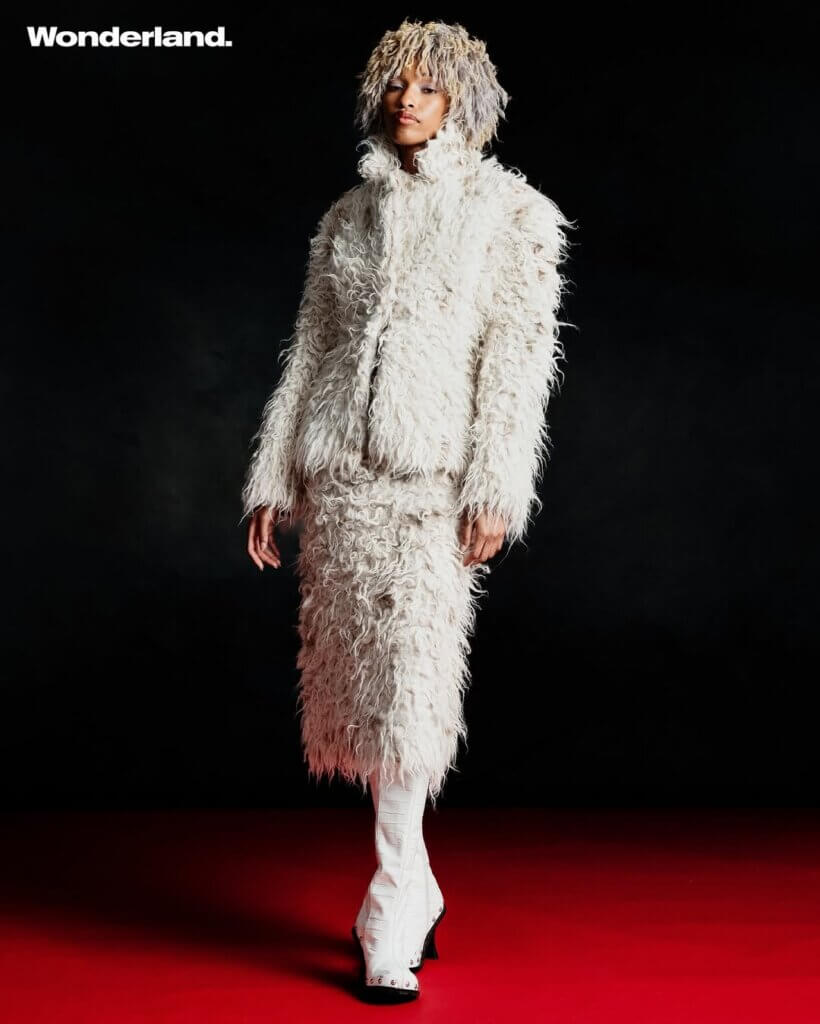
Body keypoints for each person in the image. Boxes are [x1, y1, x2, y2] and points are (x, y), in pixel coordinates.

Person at [240, 18, 575, 1003]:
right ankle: (414, 885)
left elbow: (517, 361)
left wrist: (495, 485)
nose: (407, 100)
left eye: (427, 86)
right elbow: (310, 347)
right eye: (395, 84)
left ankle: (388, 904)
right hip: (342, 479)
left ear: (463, 100)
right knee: (355, 691)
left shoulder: (510, 213)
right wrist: (274, 476)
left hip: (429, 481)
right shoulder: (347, 214)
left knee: (410, 692)